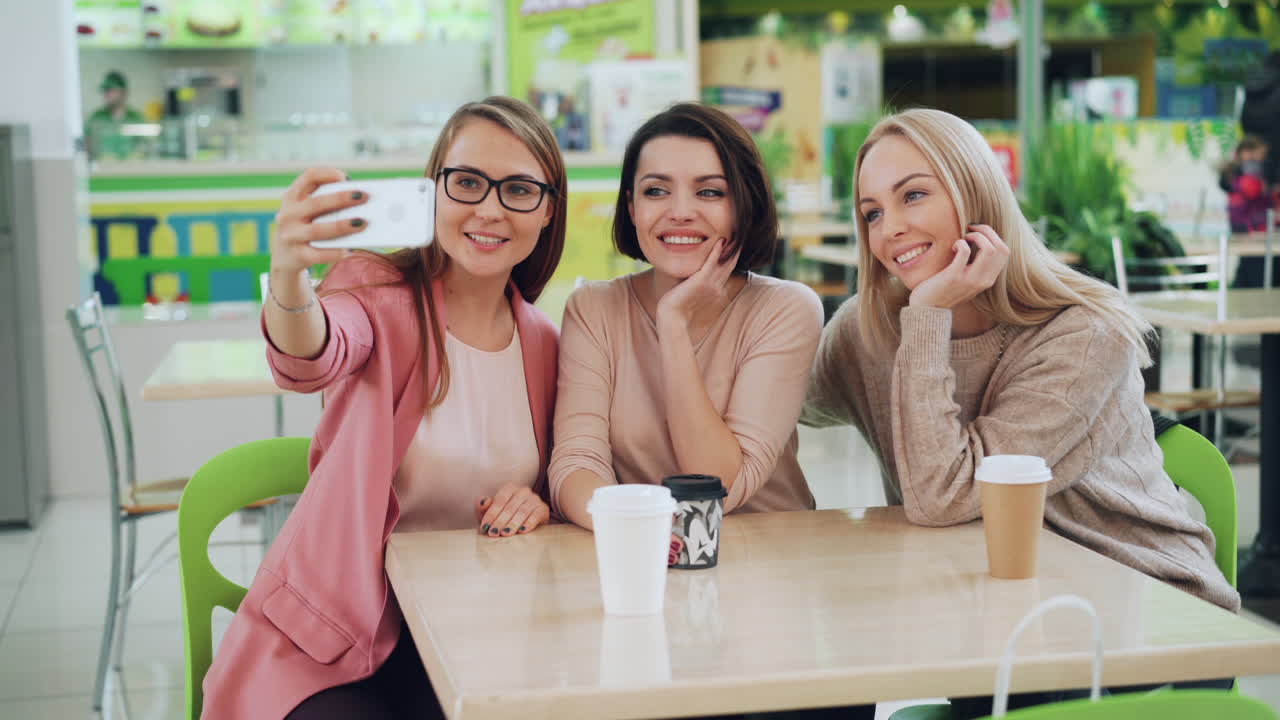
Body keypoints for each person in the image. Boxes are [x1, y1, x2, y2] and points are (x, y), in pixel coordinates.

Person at [801, 108, 1239, 717]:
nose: (890, 229)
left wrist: (927, 317)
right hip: (997, 621)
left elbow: (943, 495)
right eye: (873, 212)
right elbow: (779, 402)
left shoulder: (1084, 333)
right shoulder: (868, 328)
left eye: (915, 195)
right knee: (821, 662)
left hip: (1149, 627)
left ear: (976, 193)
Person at [200, 96, 567, 720]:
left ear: (546, 210)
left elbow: (557, 482)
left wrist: (541, 501)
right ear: (434, 191)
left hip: (475, 637)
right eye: (468, 182)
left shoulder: (545, 343)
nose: (489, 208)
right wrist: (288, 277)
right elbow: (311, 355)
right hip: (337, 640)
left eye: (518, 190)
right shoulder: (374, 291)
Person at [549, 102, 823, 550]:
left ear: (743, 205)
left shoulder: (786, 309)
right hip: (639, 554)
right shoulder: (593, 308)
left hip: (771, 564)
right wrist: (641, 535)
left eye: (710, 192)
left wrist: (673, 325)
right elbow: (576, 466)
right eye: (656, 191)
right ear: (631, 207)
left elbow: (721, 488)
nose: (680, 212)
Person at [85, 70, 145, 160]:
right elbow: (87, 147)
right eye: (105, 91)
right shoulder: (96, 118)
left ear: (123, 92)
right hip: (102, 171)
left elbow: (147, 148)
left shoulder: (137, 118)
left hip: (132, 171)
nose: (106, 94)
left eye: (110, 90)